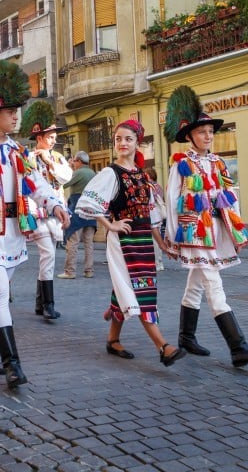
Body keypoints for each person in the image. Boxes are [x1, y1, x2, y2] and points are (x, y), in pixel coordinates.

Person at [0, 60, 69, 390]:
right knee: (0, 293)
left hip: (14, 230)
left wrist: (56, 204)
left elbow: (35, 183)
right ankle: (12, 365)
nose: (17, 116)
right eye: (11, 111)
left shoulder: (18, 150)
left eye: (17, 111)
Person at [162, 86, 248, 368]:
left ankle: (186, 337)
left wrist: (237, 226)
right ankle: (238, 346)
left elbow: (229, 195)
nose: (207, 136)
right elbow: (172, 199)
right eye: (202, 132)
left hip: (217, 229)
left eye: (210, 132)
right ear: (190, 136)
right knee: (213, 282)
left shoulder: (219, 162)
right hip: (195, 231)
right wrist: (172, 237)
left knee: (196, 283)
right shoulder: (182, 164)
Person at [76, 120, 186, 367]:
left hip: (143, 240)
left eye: (128, 139)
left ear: (137, 143)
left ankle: (113, 339)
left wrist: (163, 244)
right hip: (123, 241)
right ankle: (163, 347)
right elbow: (88, 203)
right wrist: (110, 225)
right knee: (139, 290)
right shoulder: (110, 173)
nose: (123, 143)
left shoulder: (142, 175)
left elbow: (150, 215)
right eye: (118, 139)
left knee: (128, 288)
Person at [20, 100, 71, 321]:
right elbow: (28, 184)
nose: (53, 141)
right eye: (50, 137)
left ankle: (41, 304)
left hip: (55, 212)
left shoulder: (57, 157)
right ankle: (48, 304)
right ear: (39, 137)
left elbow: (66, 177)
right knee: (48, 254)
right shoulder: (29, 157)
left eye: (54, 138)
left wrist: (50, 163)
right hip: (37, 213)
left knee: (48, 256)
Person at [60, 150, 97, 279]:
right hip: (91, 210)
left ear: (79, 161)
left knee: (73, 241)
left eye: (74, 161)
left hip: (78, 209)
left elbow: (64, 183)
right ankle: (89, 270)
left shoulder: (78, 173)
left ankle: (70, 271)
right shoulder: (92, 173)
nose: (73, 163)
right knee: (89, 243)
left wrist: (68, 169)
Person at [145, 167, 167, 271]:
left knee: (154, 240)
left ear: (149, 176)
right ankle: (159, 261)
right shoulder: (158, 186)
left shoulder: (150, 186)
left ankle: (156, 262)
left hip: (153, 214)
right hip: (158, 215)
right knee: (156, 238)